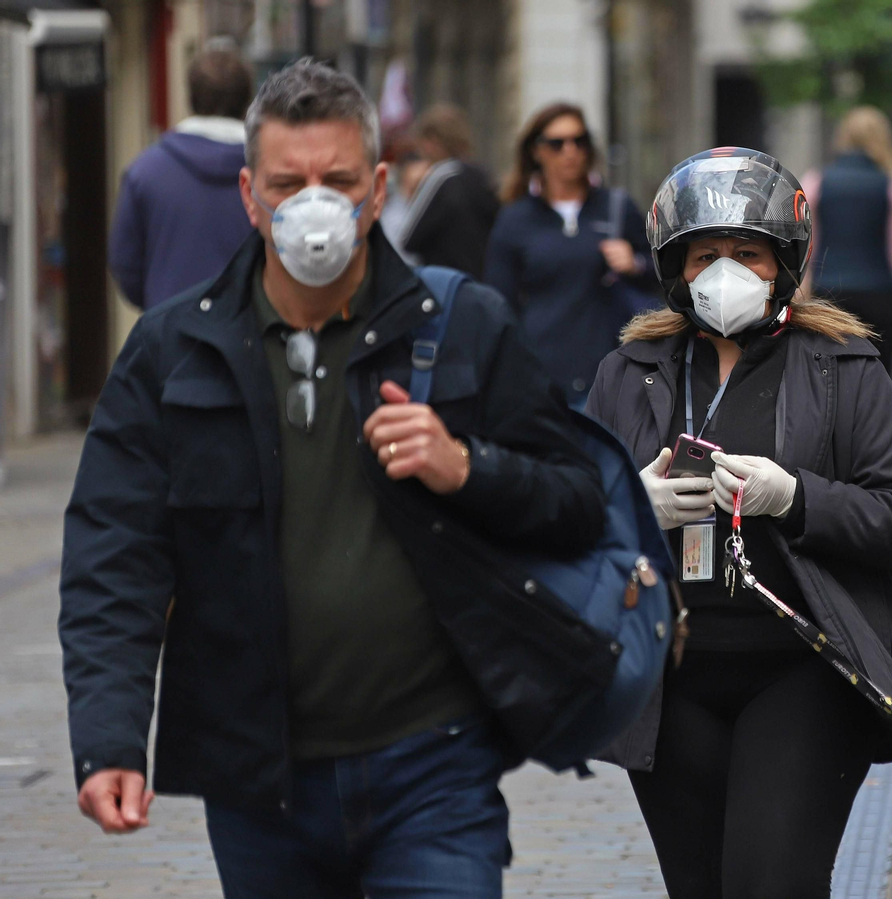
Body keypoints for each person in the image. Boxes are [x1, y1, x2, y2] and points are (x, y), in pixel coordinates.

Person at [59, 60, 605, 897]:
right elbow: (114, 553)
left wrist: (468, 467)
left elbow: (576, 501)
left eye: (338, 180)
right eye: (288, 183)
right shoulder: (174, 350)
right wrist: (109, 737)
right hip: (257, 780)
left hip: (434, 766)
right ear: (249, 195)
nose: (314, 204)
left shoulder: (462, 327)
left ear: (378, 188)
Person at [585, 148, 892, 897]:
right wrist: (628, 504)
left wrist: (796, 497)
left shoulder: (841, 364)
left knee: (770, 880)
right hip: (669, 677)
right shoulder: (630, 368)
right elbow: (568, 515)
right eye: (705, 253)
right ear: (675, 265)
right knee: (700, 885)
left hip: (801, 664)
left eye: (747, 253)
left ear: (783, 261)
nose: (725, 271)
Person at [484, 103, 656, 407]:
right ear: (536, 151)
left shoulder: (616, 207)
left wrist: (635, 264)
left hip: (611, 377)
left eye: (580, 140)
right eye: (557, 143)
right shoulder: (514, 219)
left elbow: (665, 276)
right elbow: (499, 305)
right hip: (542, 381)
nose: (570, 151)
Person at [109, 48, 256, 310]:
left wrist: (160, 304)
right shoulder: (274, 175)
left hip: (170, 338)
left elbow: (125, 265)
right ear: (248, 101)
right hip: (252, 338)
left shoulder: (145, 172)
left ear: (190, 97)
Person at [800, 106, 892, 379]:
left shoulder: (817, 181)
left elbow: (807, 246)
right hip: (880, 294)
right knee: (880, 385)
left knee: (828, 384)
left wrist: (802, 294)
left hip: (828, 295)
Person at [395, 104, 501, 277]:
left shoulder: (442, 176)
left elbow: (407, 238)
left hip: (446, 284)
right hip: (481, 284)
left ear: (433, 141)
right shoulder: (483, 177)